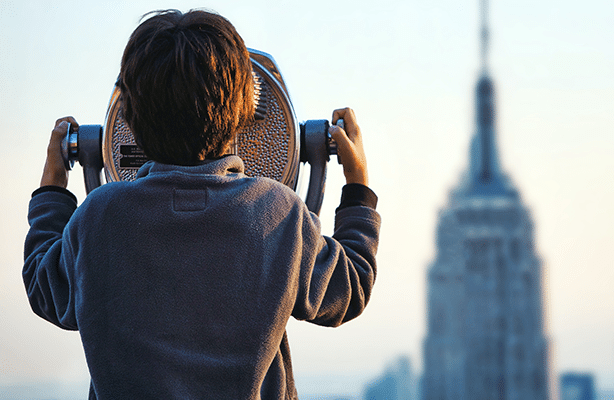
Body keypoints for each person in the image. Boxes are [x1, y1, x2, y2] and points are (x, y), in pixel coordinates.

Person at [23, 9, 380, 400]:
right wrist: (357, 186)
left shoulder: (98, 217)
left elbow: (46, 291)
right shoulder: (278, 213)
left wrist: (52, 191)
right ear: (245, 110)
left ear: (124, 114)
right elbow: (351, 288)